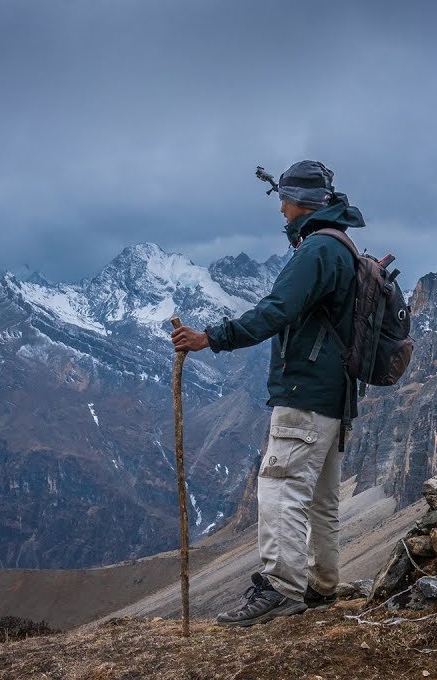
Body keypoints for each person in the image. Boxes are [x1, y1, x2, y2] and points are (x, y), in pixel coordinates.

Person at [171, 159, 364, 627]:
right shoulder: (343, 247)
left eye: (285, 199)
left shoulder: (317, 251)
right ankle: (320, 583)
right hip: (334, 396)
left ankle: (281, 587)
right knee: (319, 495)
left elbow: (276, 310)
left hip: (304, 392)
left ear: (302, 203)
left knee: (279, 487)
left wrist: (210, 338)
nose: (281, 208)